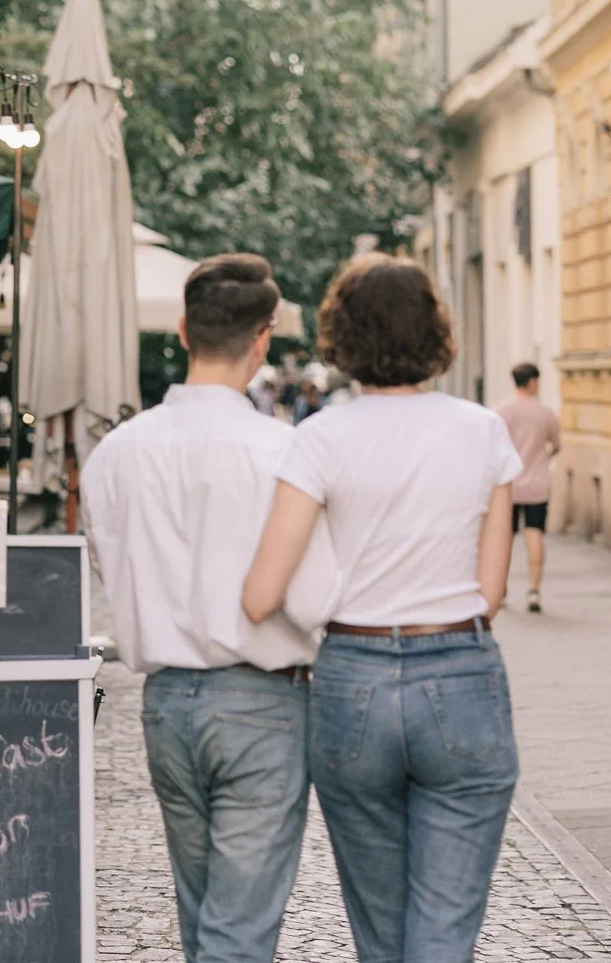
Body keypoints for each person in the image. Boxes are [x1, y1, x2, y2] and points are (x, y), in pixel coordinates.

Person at [243, 253, 521, 963]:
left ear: (344, 335)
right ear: (436, 331)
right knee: (444, 927)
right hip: (459, 667)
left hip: (353, 678)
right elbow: (492, 592)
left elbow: (260, 596)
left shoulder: (321, 436)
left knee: (380, 926)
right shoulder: (482, 429)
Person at [82, 254, 337, 963]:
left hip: (166, 703)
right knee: (239, 928)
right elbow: (314, 596)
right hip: (262, 700)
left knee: (205, 916)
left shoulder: (116, 454)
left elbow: (110, 567)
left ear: (182, 330)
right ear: (264, 339)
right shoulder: (285, 451)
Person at [497, 362, 561, 614]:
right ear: (533, 382)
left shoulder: (500, 412)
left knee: (504, 537)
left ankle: (500, 589)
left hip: (507, 485)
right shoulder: (545, 413)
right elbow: (555, 445)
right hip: (536, 484)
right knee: (534, 533)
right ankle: (534, 590)